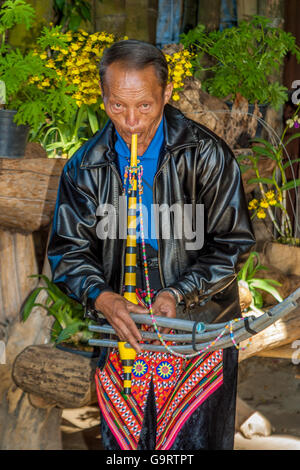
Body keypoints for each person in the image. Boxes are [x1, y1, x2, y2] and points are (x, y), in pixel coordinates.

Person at [47, 39, 256, 450]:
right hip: (122, 324)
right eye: (116, 106)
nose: (131, 122)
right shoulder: (85, 166)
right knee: (127, 445)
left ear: (167, 93)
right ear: (103, 98)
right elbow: (68, 253)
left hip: (198, 323)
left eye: (145, 105)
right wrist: (103, 297)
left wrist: (179, 292)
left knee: (192, 444)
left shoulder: (205, 155)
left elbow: (233, 243)